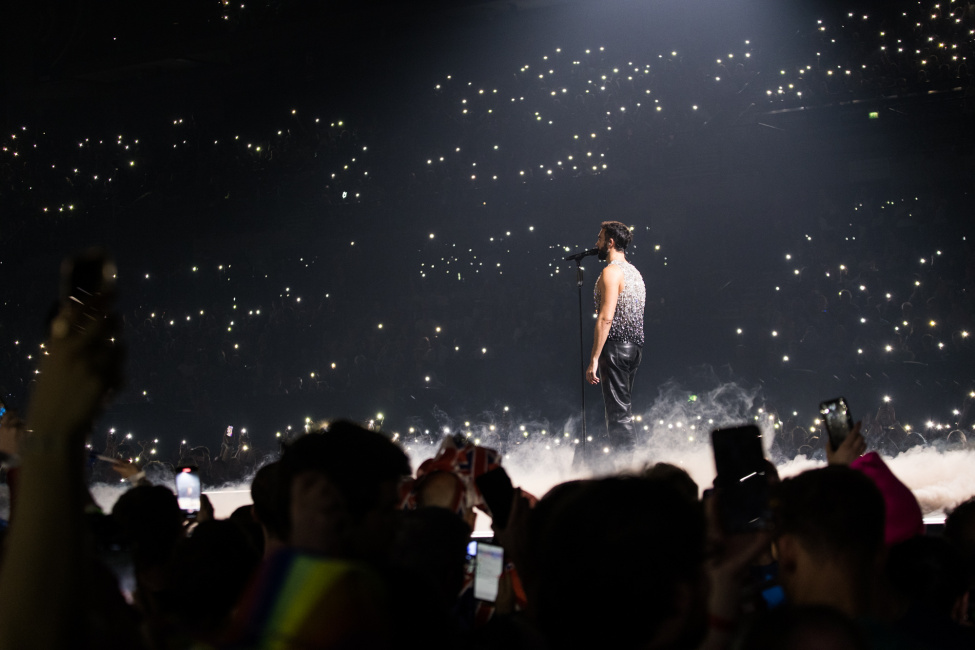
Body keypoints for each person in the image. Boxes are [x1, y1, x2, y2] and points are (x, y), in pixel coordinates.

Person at [585, 220, 646, 451]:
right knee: (623, 410)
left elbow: (606, 318)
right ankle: (627, 462)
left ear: (610, 242)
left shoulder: (611, 272)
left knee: (618, 415)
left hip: (616, 348)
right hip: (634, 348)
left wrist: (594, 359)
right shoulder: (635, 273)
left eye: (599, 239)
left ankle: (627, 466)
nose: (596, 244)